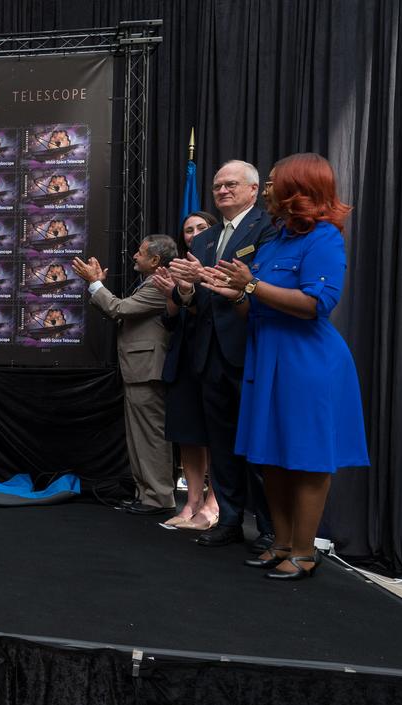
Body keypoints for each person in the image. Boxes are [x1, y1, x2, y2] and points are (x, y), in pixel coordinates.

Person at [199, 153, 368, 579]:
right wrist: (234, 293)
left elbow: (316, 304)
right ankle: (282, 543)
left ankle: (305, 552)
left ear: (298, 187)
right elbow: (253, 306)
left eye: (273, 182)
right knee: (269, 456)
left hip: (306, 361)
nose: (267, 190)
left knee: (307, 457)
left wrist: (252, 285)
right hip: (266, 355)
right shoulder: (275, 241)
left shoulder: (324, 238)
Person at [168, 160, 276, 551]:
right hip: (208, 353)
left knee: (259, 446)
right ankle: (228, 520)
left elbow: (265, 285)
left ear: (253, 190)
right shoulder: (204, 239)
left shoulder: (268, 228)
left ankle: (270, 529)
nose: (222, 191)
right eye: (217, 186)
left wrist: (227, 283)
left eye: (231, 184)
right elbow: (196, 301)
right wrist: (184, 290)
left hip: (251, 350)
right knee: (222, 444)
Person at [72, 235, 177, 515]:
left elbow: (119, 309)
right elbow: (120, 313)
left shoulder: (159, 283)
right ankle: (146, 495)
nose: (134, 256)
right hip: (138, 370)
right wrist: (97, 287)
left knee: (150, 437)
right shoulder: (150, 281)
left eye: (140, 252)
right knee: (139, 437)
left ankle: (158, 498)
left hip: (147, 370)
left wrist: (94, 284)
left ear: (155, 260)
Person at [151, 211, 221, 530]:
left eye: (201, 227)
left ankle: (214, 503)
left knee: (216, 435)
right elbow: (170, 321)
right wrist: (172, 296)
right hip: (184, 357)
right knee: (188, 434)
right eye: (189, 230)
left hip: (215, 356)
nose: (194, 233)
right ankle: (191, 502)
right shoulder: (178, 269)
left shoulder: (222, 264)